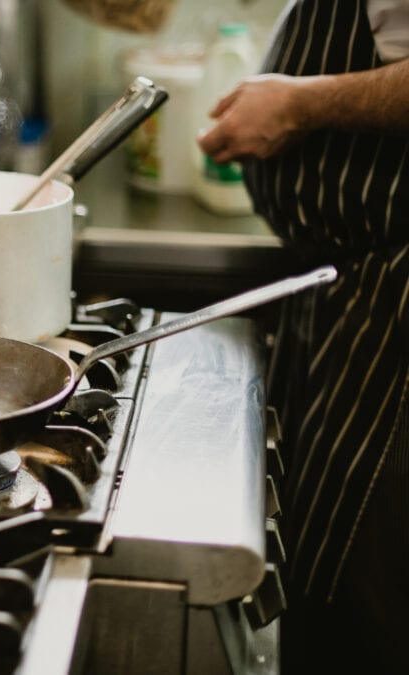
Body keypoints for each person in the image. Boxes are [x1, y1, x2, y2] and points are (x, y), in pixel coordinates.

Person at [197, 0, 409, 670]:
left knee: (371, 619)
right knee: (324, 599)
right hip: (352, 294)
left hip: (398, 309)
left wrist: (303, 104)